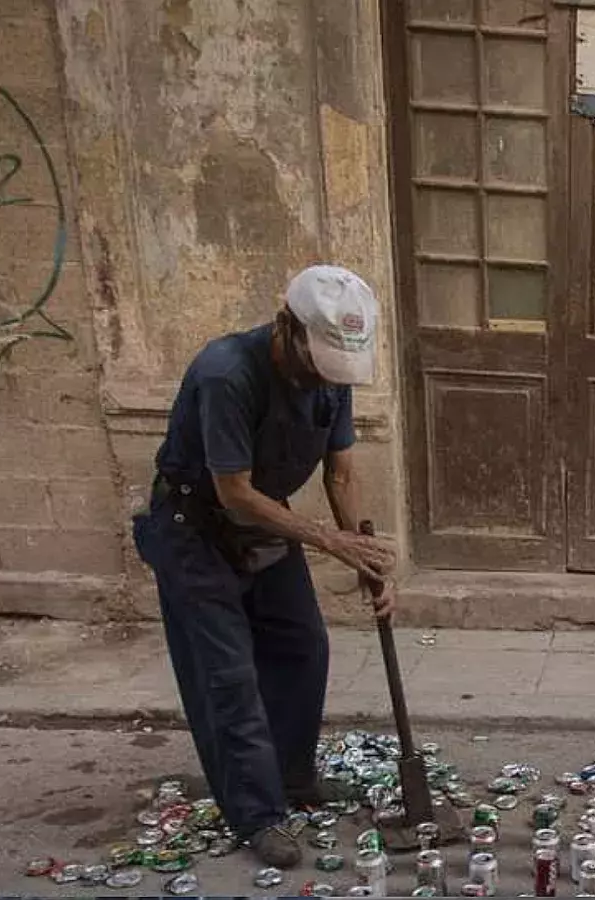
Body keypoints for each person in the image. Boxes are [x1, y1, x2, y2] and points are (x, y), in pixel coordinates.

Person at [132, 265, 397, 867]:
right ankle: (256, 814)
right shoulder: (227, 373)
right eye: (316, 362)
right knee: (229, 676)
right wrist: (331, 543)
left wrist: (363, 548)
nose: (322, 380)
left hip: (267, 521)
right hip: (195, 528)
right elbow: (234, 493)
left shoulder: (332, 373)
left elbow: (341, 471)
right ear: (287, 328)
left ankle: (293, 776)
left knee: (304, 644)